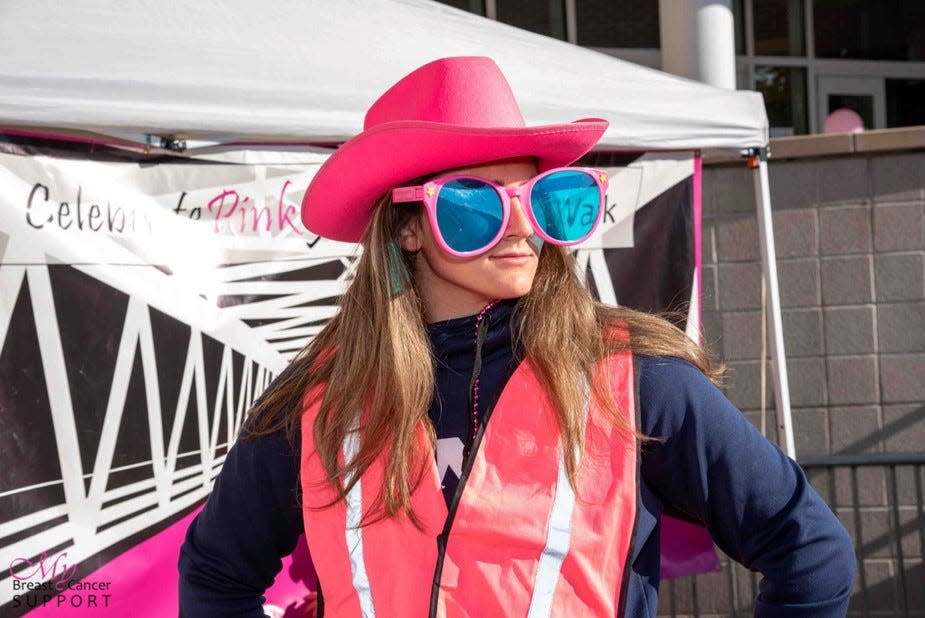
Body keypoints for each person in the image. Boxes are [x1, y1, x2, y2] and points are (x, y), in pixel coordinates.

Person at [178, 56, 855, 617]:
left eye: (538, 198)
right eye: (473, 202)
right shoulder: (317, 399)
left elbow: (809, 552)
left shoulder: (635, 379)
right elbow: (215, 577)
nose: (518, 226)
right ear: (406, 229)